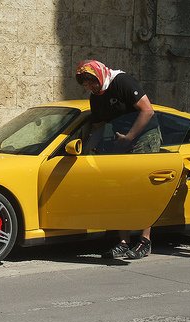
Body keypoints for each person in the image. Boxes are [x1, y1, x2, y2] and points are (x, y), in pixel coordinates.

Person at [75, 59, 162, 260]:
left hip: (144, 136)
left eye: (91, 82)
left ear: (99, 75)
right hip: (122, 141)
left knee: (141, 189)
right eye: (86, 84)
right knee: (122, 190)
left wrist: (130, 137)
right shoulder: (95, 98)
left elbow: (147, 110)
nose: (90, 87)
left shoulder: (121, 81)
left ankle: (144, 240)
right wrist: (86, 153)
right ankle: (123, 242)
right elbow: (97, 126)